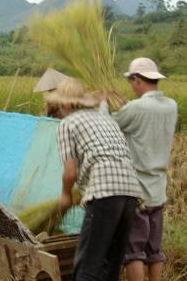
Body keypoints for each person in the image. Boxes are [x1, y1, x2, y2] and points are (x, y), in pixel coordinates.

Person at [46, 77, 143, 281]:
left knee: (87, 268)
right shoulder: (106, 119)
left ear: (63, 103)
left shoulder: (67, 124)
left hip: (105, 194)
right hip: (131, 191)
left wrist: (65, 195)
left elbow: (70, 173)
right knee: (111, 266)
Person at [99, 57, 178, 281]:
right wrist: (127, 106)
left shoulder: (136, 107)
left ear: (137, 80)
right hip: (158, 189)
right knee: (155, 248)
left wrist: (104, 102)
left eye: (131, 81)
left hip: (137, 189)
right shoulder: (171, 106)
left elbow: (107, 127)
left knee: (134, 249)